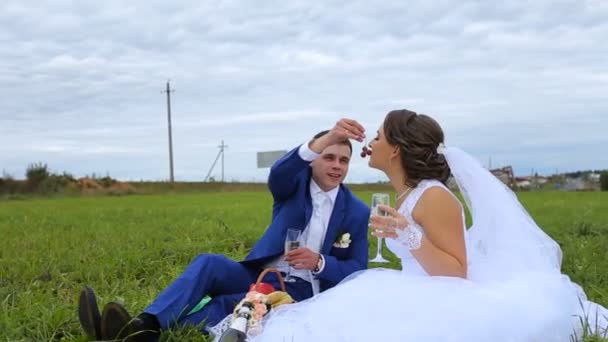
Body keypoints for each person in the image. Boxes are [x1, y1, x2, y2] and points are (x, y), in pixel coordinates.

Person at [251, 109, 608, 342]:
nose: (370, 143)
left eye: (377, 136)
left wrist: (406, 234)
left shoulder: (434, 197)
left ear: (395, 150)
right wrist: (403, 231)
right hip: (414, 284)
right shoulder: (406, 195)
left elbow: (456, 272)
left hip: (444, 294)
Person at [77, 121, 371, 341]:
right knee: (208, 263)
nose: (336, 166)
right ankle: (144, 323)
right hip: (259, 271)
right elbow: (279, 171)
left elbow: (357, 268)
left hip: (297, 290)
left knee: (225, 306)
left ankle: (129, 334)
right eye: (328, 157)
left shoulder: (357, 211)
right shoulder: (292, 187)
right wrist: (327, 138)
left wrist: (319, 261)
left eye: (343, 160)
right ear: (314, 160)